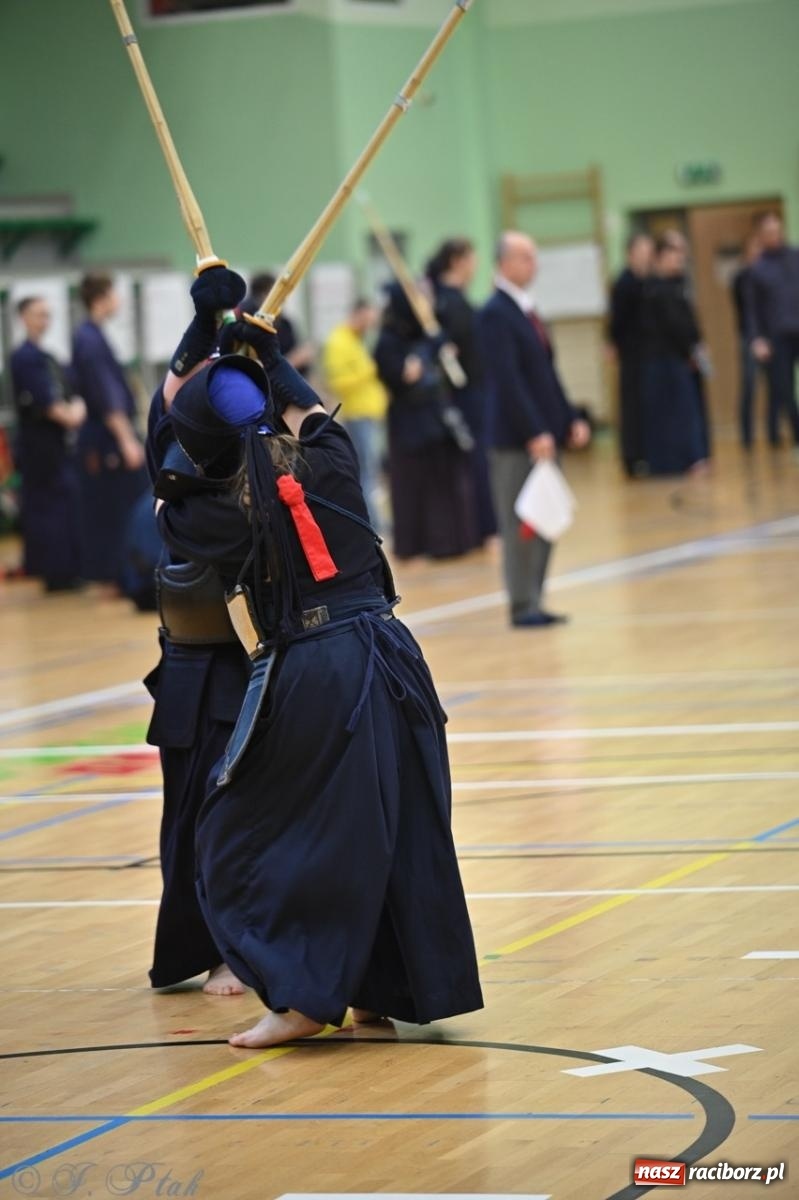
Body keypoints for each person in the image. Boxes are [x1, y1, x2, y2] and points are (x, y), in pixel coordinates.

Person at [157, 279, 484, 1047]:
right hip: (394, 658)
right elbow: (307, 408)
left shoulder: (209, 509)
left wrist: (203, 330)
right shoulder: (332, 456)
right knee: (393, 824)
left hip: (320, 669)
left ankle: (304, 996)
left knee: (251, 829)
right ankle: (378, 990)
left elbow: (164, 442)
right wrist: (268, 358)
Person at [144, 266, 253, 995]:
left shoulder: (225, 468)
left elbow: (178, 398)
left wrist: (215, 331)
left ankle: (243, 943)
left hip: (246, 670)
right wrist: (207, 322)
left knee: (241, 816)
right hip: (197, 672)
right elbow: (174, 401)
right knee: (196, 816)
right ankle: (214, 946)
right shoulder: (186, 483)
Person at [478, 232, 591, 629]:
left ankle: (537, 599)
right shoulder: (495, 313)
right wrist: (533, 432)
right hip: (517, 441)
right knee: (520, 523)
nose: (534, 264)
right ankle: (522, 604)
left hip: (544, 435)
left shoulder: (527, 310)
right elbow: (507, 381)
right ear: (504, 262)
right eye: (526, 257)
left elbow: (545, 375)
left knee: (544, 519)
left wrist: (569, 419)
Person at [375, 283, 479, 561]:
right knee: (415, 484)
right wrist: (429, 352)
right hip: (410, 421)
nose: (427, 304)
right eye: (420, 299)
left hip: (438, 414)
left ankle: (451, 542)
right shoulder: (388, 341)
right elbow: (405, 375)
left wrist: (441, 347)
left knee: (446, 479)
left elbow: (453, 372)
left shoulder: (431, 333)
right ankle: (418, 545)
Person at [72, 273, 148, 585]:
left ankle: (119, 571)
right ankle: (116, 574)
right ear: (101, 297)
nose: (117, 301)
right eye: (114, 294)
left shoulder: (94, 335)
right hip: (106, 439)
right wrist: (127, 440)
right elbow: (107, 397)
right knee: (114, 506)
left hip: (106, 434)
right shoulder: (89, 339)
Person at [10, 297, 86, 591]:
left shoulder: (48, 357)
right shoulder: (24, 358)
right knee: (48, 510)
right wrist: (69, 416)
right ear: (24, 318)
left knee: (63, 506)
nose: (44, 321)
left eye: (47, 315)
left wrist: (76, 410)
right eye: (38, 315)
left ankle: (67, 568)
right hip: (40, 449)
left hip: (57, 447)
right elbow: (47, 403)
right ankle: (56, 572)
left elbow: (71, 393)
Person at [427, 237, 497, 542]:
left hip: (476, 389)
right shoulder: (447, 302)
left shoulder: (454, 299)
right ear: (457, 260)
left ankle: (485, 525)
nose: (475, 265)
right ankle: (485, 527)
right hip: (464, 394)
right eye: (472, 258)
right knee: (475, 459)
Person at [640, 237, 708, 476]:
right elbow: (674, 325)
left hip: (675, 357)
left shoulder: (676, 286)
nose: (677, 262)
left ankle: (687, 458)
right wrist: (689, 349)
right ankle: (675, 461)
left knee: (682, 409)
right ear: (659, 258)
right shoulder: (656, 289)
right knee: (673, 412)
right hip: (665, 359)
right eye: (672, 257)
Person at [321, 298, 387, 527]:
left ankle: (376, 519)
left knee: (372, 470)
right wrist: (367, 371)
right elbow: (338, 382)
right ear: (357, 314)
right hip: (357, 414)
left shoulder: (355, 340)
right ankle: (372, 521)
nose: (369, 326)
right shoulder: (339, 342)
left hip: (369, 413)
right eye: (367, 319)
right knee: (367, 470)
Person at [747, 211, 799, 447]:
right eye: (768, 232)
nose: (774, 235)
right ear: (761, 236)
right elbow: (753, 310)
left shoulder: (795, 257)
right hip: (778, 336)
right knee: (784, 390)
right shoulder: (758, 269)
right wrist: (758, 339)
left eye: (777, 230)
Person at [609, 233, 654, 476]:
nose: (646, 256)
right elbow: (617, 323)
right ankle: (632, 457)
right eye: (642, 251)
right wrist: (615, 345)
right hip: (631, 353)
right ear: (631, 253)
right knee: (631, 406)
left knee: (647, 405)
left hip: (647, 353)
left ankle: (647, 453)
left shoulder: (647, 281)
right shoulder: (624, 283)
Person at [240, 272, 315, 377]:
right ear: (264, 295)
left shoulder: (285, 324)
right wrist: (292, 361)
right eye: (277, 294)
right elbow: (255, 367)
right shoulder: (245, 324)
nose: (283, 299)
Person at [731, 230, 765, 448]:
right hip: (749, 337)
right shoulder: (741, 278)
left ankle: (775, 432)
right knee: (749, 385)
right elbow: (744, 309)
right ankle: (746, 436)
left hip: (772, 336)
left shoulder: (769, 274)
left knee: (778, 386)